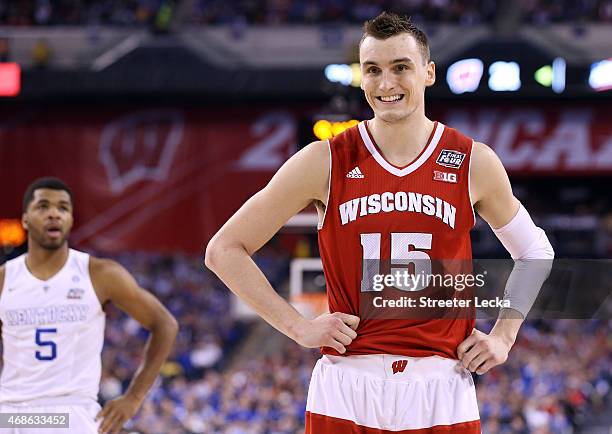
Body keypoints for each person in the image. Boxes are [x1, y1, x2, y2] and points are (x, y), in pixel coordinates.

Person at [205, 12, 554, 433]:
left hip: (441, 384)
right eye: (373, 70)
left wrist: (503, 337)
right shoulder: (324, 160)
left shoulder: (472, 162)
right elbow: (223, 249)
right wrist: (297, 326)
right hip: (348, 382)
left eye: (400, 67)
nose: (386, 84)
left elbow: (535, 252)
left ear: (428, 73)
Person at [0, 177, 179, 434]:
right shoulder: (5, 279)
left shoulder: (99, 273)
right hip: (13, 414)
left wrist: (133, 399)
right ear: (25, 219)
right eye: (43, 206)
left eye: (63, 208)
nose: (54, 214)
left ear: (71, 220)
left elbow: (165, 324)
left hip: (71, 410)